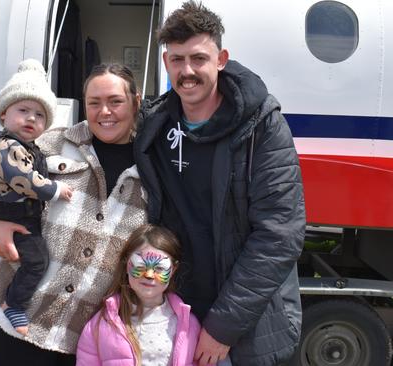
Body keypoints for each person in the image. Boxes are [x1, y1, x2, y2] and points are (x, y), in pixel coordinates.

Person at [133, 1, 306, 365]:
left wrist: (222, 327)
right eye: (177, 59)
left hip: (241, 327)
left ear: (221, 59)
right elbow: (97, 140)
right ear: (166, 63)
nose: (187, 71)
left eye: (198, 58)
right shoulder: (155, 125)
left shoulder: (262, 128)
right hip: (178, 311)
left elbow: (279, 235)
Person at [0, 63, 147, 365]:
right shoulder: (52, 143)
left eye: (115, 101)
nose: (105, 112)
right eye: (94, 103)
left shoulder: (153, 167)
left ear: (136, 101)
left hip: (87, 336)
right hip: (17, 321)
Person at [0, 59, 74, 335]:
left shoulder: (28, 147)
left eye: (40, 114)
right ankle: (14, 304)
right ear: (3, 115)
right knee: (36, 261)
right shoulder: (5, 147)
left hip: (22, 215)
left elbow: (37, 166)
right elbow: (24, 178)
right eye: (23, 110)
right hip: (16, 216)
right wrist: (55, 190)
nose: (32, 118)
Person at [77, 223, 214, 366]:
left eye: (160, 268)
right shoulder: (101, 324)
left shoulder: (188, 325)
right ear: (126, 264)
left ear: (173, 270)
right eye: (141, 266)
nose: (149, 275)